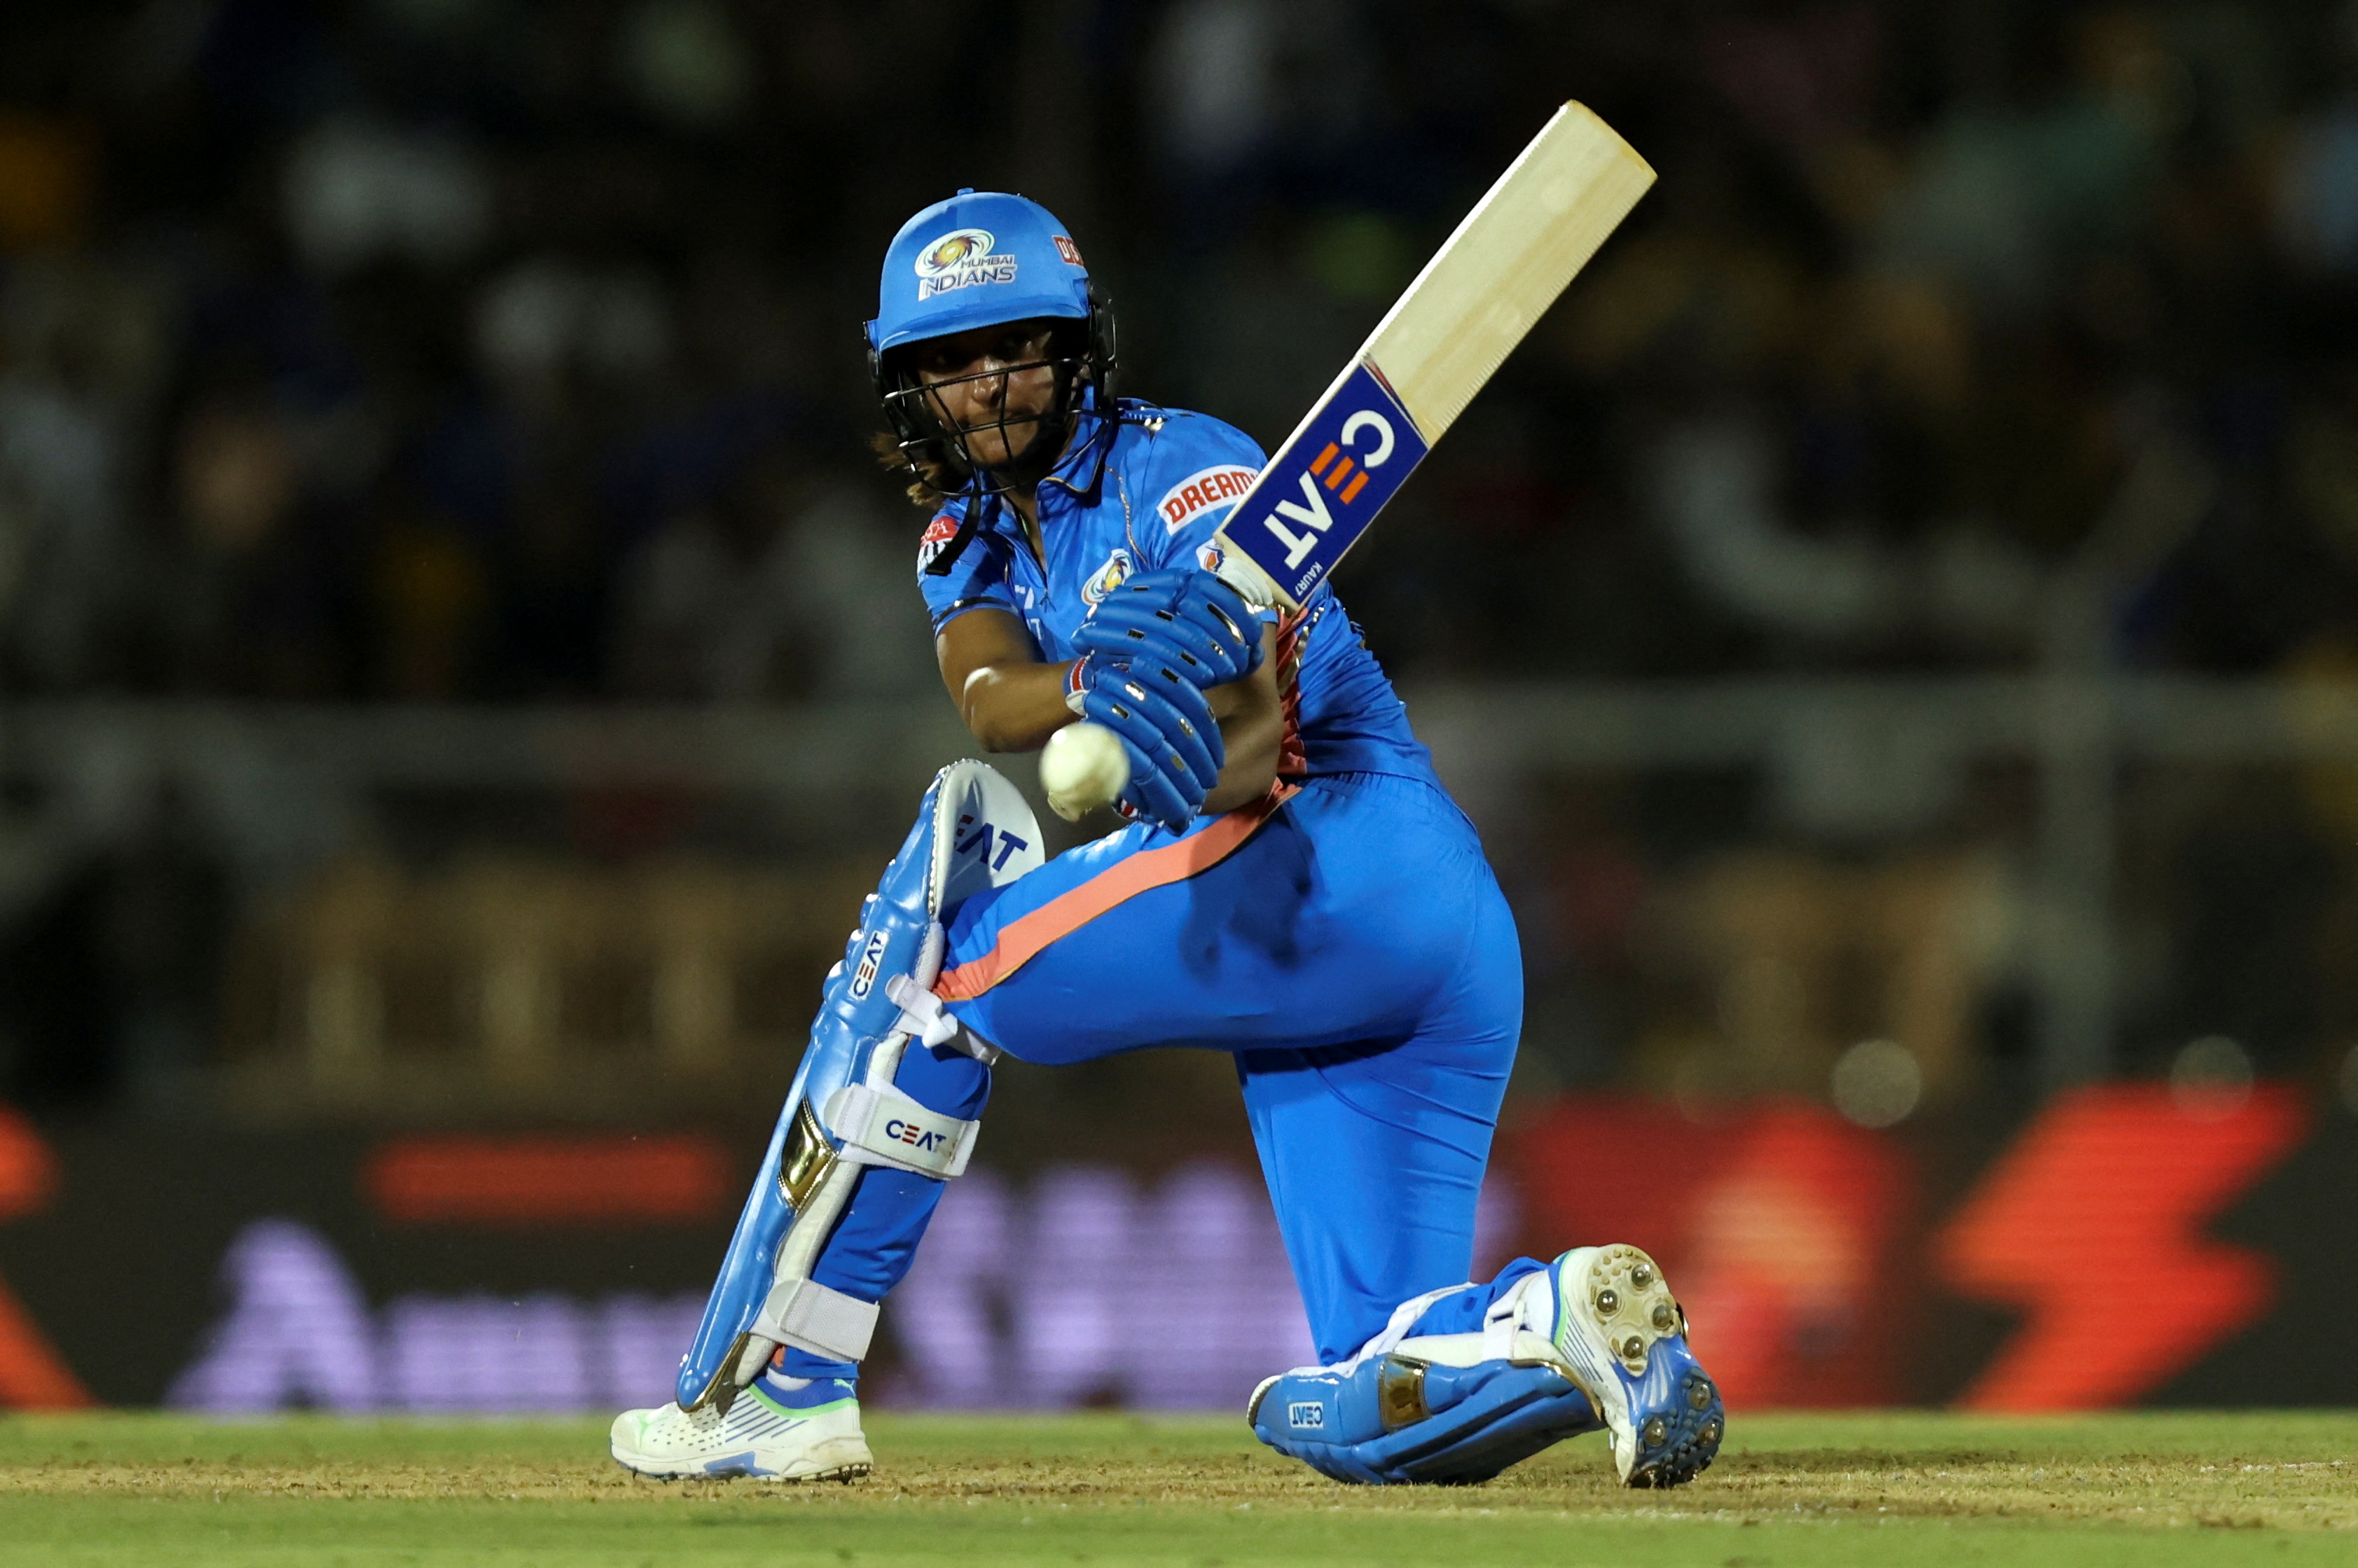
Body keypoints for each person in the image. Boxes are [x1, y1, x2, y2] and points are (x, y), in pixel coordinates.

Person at [608, 190, 1723, 1488]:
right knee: (1367, 1391)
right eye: (953, 362)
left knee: (934, 949)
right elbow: (986, 697)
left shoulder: (1187, 472)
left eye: (1015, 346)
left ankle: (776, 1387)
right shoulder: (959, 542)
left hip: (1334, 852)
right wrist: (1096, 685)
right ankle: (1562, 1320)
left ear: (1078, 345)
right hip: (1403, 944)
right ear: (908, 384)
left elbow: (1250, 747)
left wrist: (1198, 700)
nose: (989, 383)